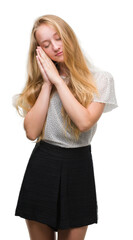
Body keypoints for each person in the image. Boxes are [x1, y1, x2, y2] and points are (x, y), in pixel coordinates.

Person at [13, 14, 118, 240]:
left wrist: (59, 81)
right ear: (40, 51)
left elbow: (84, 122)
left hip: (78, 167)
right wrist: (48, 83)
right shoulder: (42, 83)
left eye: (58, 38)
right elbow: (31, 132)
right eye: (46, 44)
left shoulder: (100, 79)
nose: (55, 47)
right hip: (43, 165)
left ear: (68, 36)